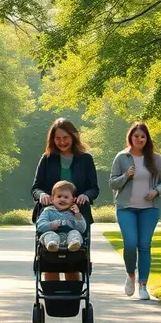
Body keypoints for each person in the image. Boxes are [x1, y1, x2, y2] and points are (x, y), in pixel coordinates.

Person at [31, 118, 99, 281]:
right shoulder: (47, 158)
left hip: (77, 215)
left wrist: (86, 196)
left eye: (65, 137)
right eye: (57, 138)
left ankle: (72, 300)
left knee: (73, 261)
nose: (62, 142)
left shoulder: (85, 159)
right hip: (50, 213)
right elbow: (36, 187)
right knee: (50, 261)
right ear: (52, 139)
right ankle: (51, 299)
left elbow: (94, 188)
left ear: (73, 136)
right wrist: (41, 195)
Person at [109, 122, 161, 301]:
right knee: (130, 243)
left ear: (147, 138)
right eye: (136, 136)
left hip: (149, 209)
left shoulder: (155, 158)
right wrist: (126, 175)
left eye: (143, 136)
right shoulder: (122, 157)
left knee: (144, 245)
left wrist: (156, 191)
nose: (139, 139)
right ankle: (130, 275)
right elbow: (112, 183)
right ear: (131, 137)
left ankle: (143, 285)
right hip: (126, 207)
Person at [35, 180, 87, 252]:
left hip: (69, 239)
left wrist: (77, 214)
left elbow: (82, 229)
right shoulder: (48, 211)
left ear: (73, 199)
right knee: (49, 235)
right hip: (51, 237)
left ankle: (74, 244)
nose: (62, 199)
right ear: (52, 199)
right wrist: (51, 225)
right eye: (59, 196)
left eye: (66, 197)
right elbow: (40, 226)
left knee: (75, 233)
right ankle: (52, 245)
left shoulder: (74, 213)